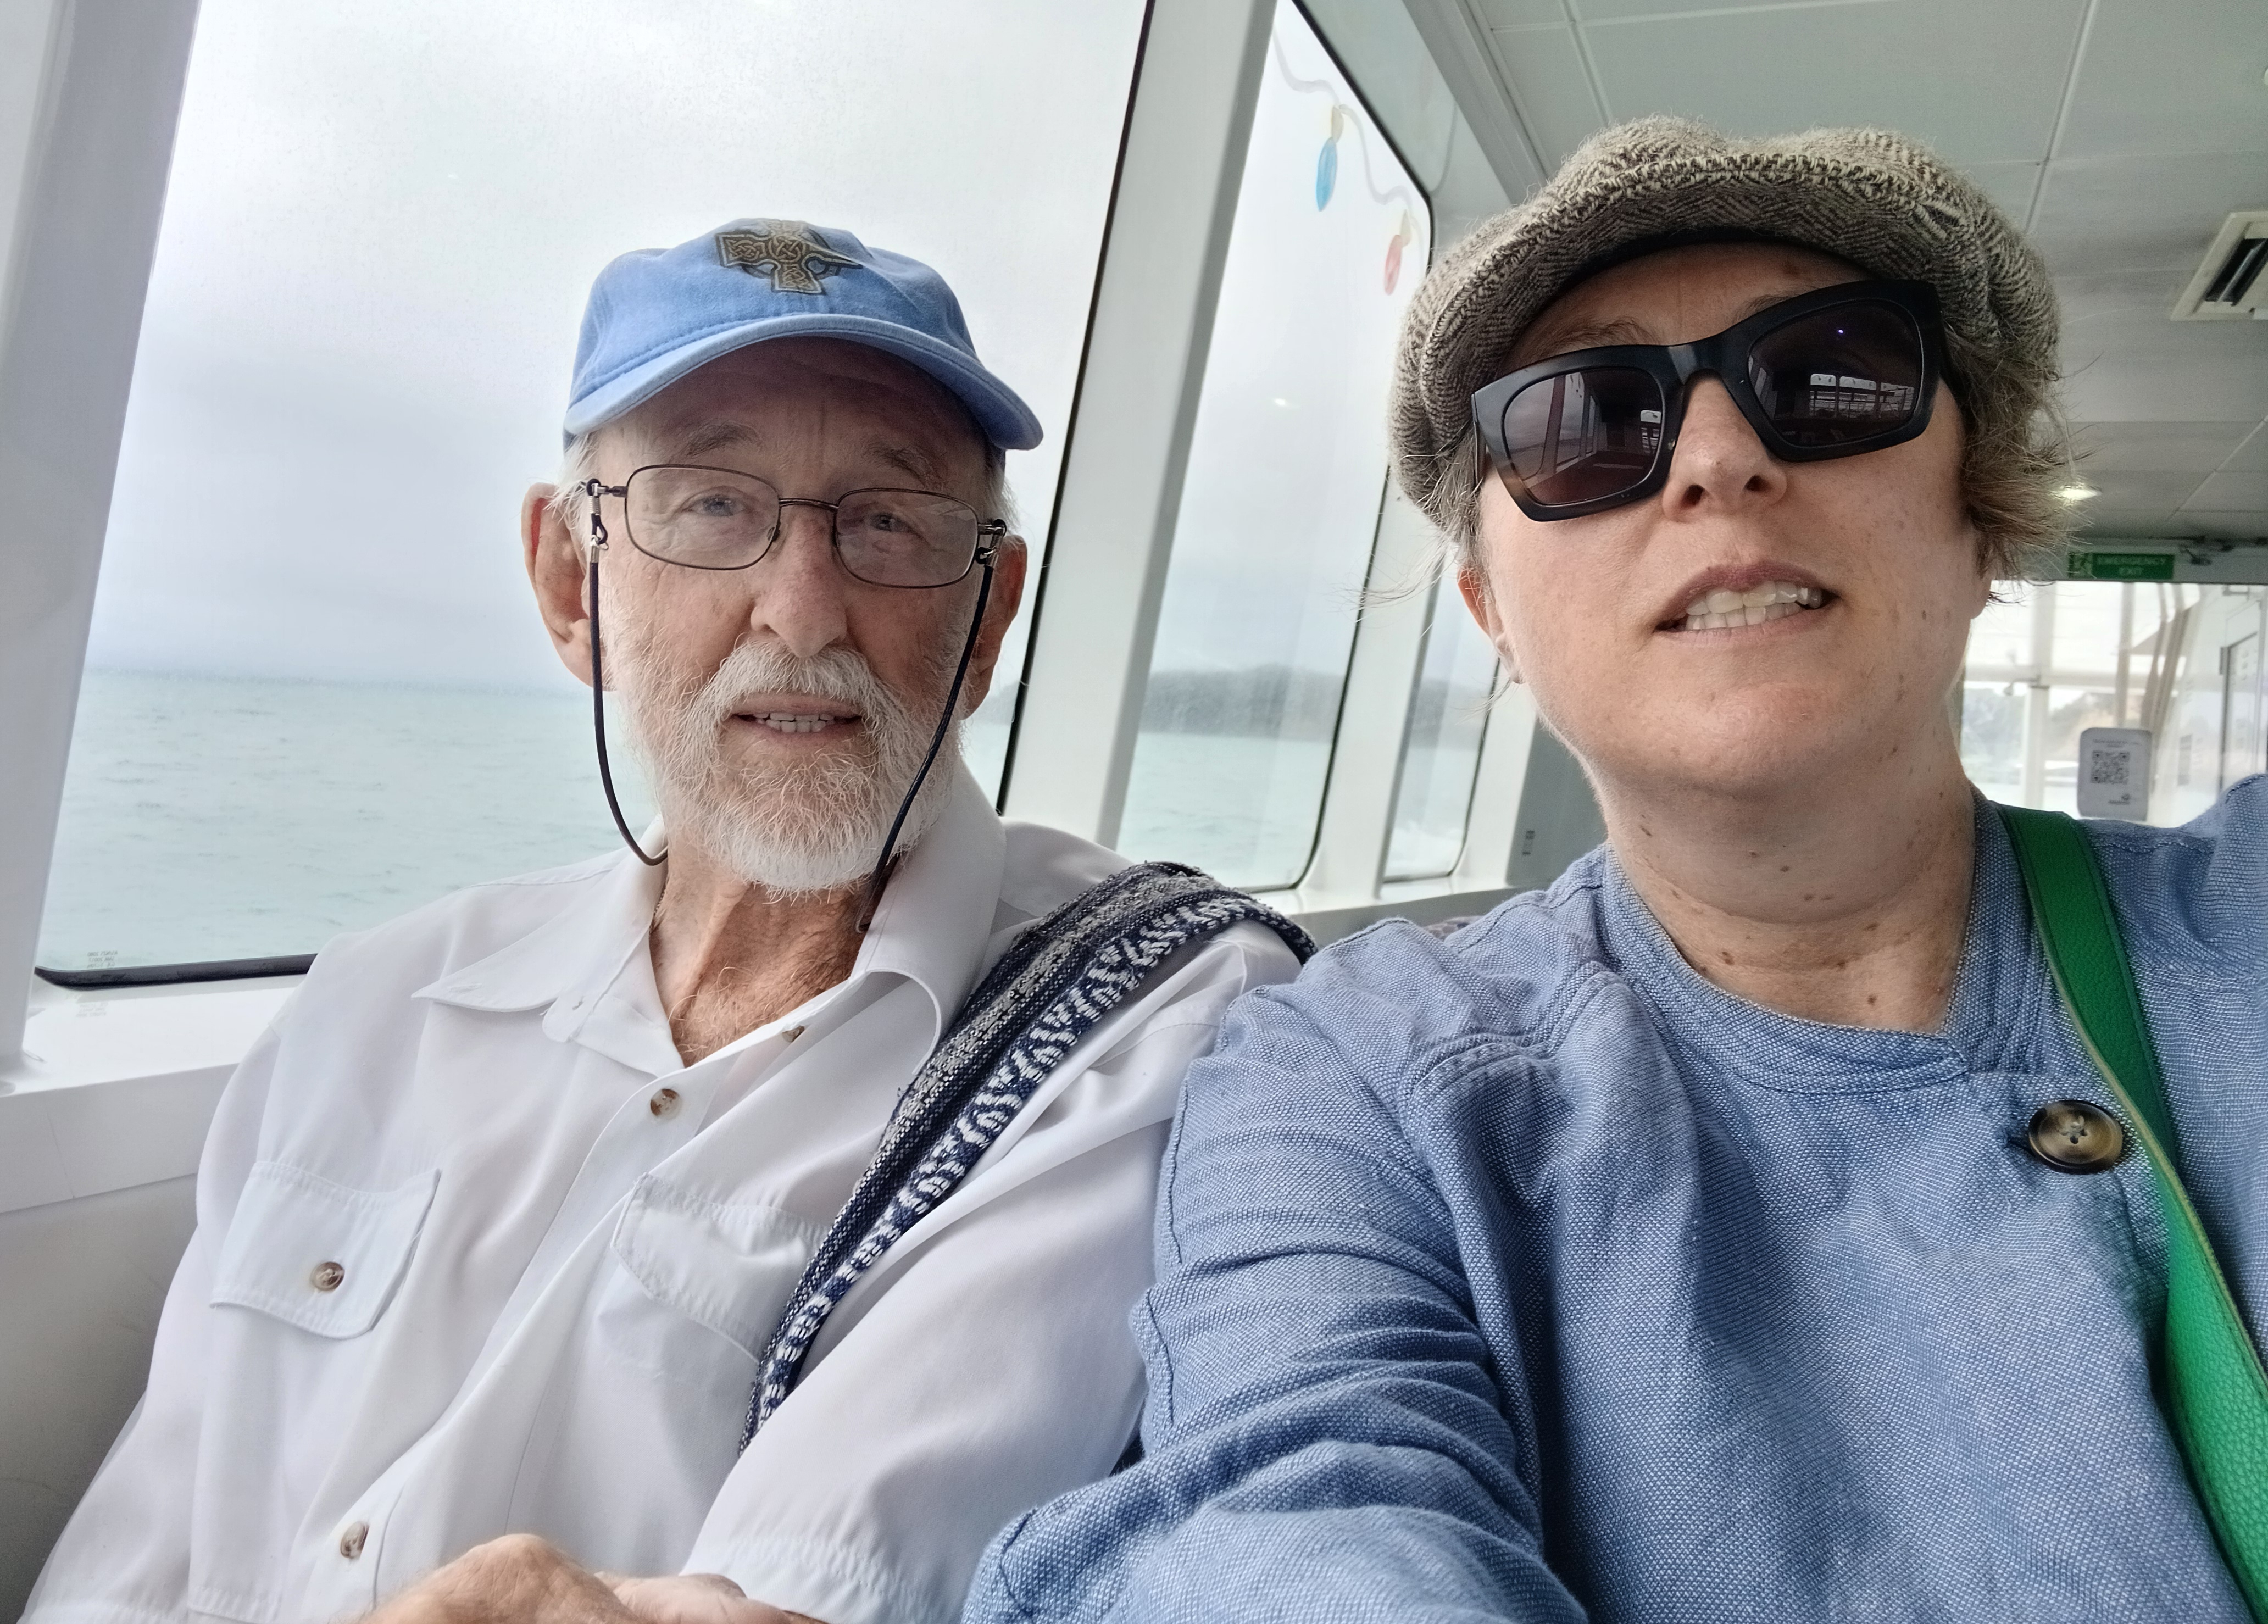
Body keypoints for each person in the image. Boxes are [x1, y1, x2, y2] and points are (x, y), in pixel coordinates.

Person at [961, 120, 2268, 1621]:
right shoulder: (1361, 1078)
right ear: (1490, 611)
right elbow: (1293, 1500)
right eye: (1583, 422)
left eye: (1830, 378)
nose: (1717, 459)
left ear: (1981, 520)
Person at [25, 220, 1305, 1624]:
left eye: (888, 520)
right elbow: (127, 1569)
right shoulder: (373, 1007)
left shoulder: (1138, 1029)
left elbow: (812, 1588)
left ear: (988, 615)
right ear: (570, 580)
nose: (803, 611)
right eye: (710, 506)